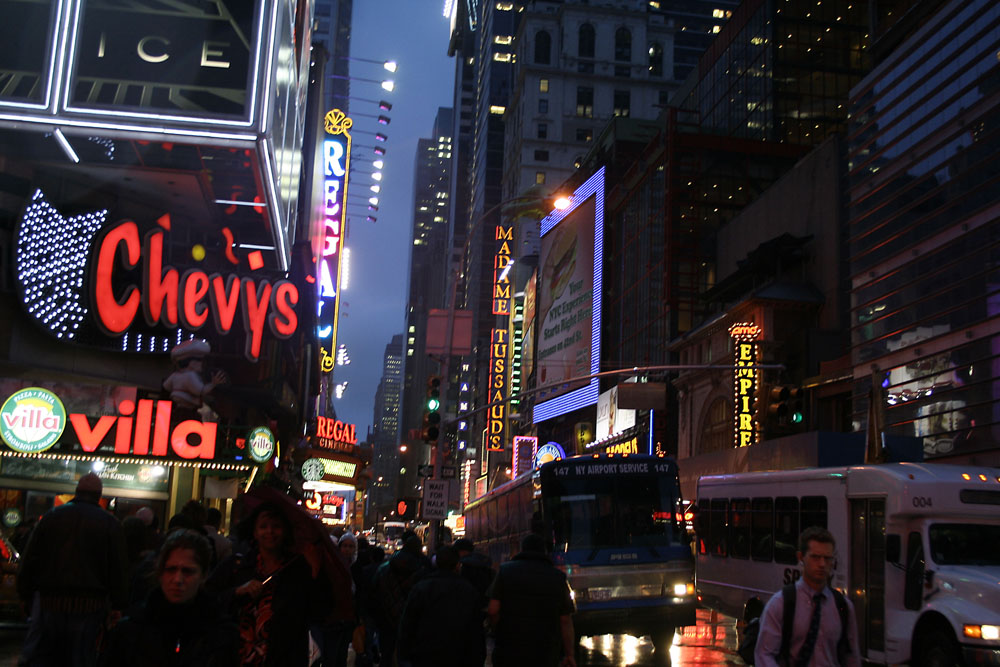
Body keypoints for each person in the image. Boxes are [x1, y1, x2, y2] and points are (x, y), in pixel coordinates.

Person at [17, 473, 128, 667]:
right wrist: (118, 603)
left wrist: (25, 593)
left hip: (50, 600)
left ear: (76, 491)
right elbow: (117, 566)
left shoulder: (52, 517)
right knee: (80, 657)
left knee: (44, 656)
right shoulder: (109, 523)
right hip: (90, 603)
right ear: (99, 494)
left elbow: (31, 557)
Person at [206, 501, 330, 666]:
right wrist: (237, 591)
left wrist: (315, 569)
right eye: (263, 526)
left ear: (285, 531)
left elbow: (319, 612)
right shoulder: (237, 566)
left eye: (276, 526)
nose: (270, 532)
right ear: (255, 532)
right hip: (236, 657)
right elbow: (208, 600)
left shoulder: (298, 569)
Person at [100, 530, 239, 667]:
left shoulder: (221, 634)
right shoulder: (130, 630)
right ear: (160, 573)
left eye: (188, 571)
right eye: (171, 570)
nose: (178, 579)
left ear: (203, 575)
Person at [754, 526, 860, 667]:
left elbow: (851, 656)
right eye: (815, 557)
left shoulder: (843, 607)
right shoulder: (780, 604)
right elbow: (764, 654)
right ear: (801, 557)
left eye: (827, 558)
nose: (822, 564)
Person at [487, 534, 576, 667]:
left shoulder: (505, 571)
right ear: (544, 551)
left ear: (522, 550)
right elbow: (565, 620)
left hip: (510, 647)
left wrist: (498, 631)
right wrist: (569, 655)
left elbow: (493, 610)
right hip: (545, 649)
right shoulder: (558, 577)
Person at [397, 545, 485, 667]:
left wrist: (404, 657)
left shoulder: (421, 588)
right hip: (458, 655)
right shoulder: (468, 590)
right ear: (457, 565)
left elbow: (408, 625)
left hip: (425, 655)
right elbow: (476, 630)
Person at [372, 532, 431, 667]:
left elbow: (373, 593)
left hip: (386, 618)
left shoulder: (385, 568)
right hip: (412, 620)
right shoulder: (423, 569)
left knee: (387, 655)